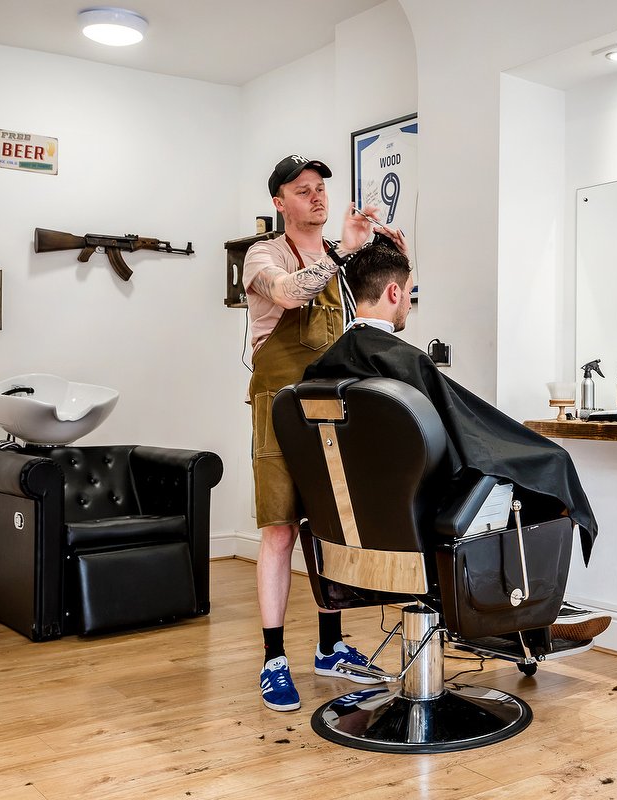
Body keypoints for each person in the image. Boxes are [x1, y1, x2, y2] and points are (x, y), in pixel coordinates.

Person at [302, 242, 608, 640]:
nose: (408, 302)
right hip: (420, 524)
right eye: (408, 291)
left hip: (355, 530)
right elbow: (466, 440)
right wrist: (535, 454)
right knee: (547, 467)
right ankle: (527, 612)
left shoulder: (321, 369)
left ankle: (509, 611)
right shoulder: (404, 361)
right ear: (393, 292)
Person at [243, 154, 405, 713]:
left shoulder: (344, 256)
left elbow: (385, 315)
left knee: (330, 528)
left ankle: (330, 648)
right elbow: (290, 294)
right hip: (278, 405)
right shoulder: (262, 255)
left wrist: (392, 259)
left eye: (320, 188)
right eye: (302, 190)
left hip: (333, 404)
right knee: (280, 529)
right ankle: (273, 658)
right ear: (279, 202)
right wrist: (342, 253)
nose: (316, 196)